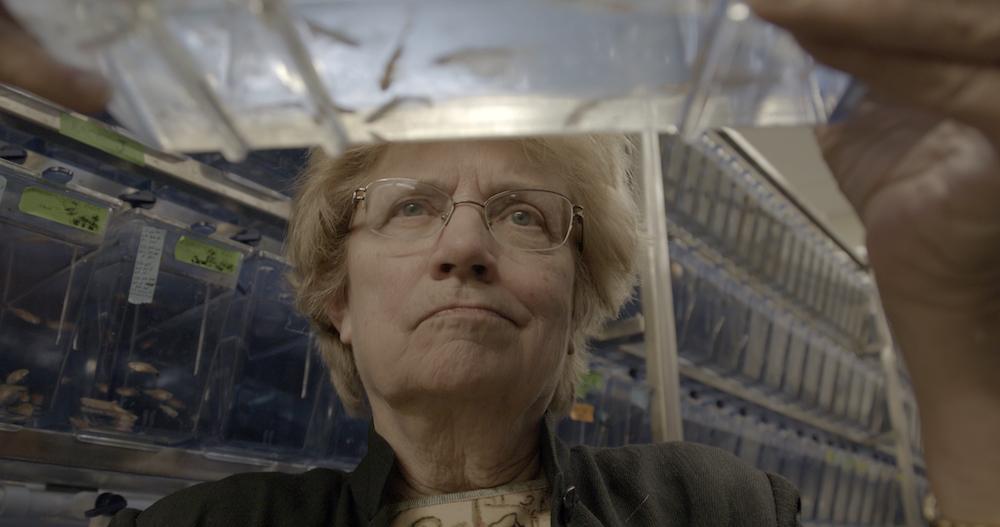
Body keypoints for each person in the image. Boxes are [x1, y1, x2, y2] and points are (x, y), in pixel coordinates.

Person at [2, 0, 998, 525]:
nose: (465, 246)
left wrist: (951, 328)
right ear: (335, 299)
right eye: (412, 208)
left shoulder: (714, 503)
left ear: (577, 301)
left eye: (524, 215)